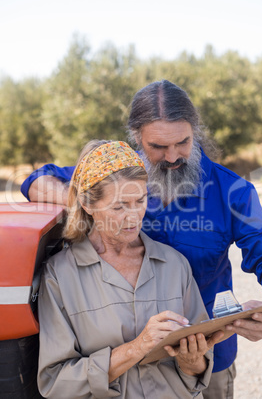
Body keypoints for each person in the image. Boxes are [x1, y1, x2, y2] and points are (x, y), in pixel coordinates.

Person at [21, 80, 262, 399]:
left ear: (196, 130)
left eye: (182, 142)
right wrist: (85, 203)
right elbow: (37, 180)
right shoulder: (122, 172)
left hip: (208, 357)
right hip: (119, 364)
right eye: (158, 147)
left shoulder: (235, 191)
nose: (173, 156)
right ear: (138, 138)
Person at [37, 139, 224, 399]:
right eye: (119, 206)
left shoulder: (174, 264)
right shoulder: (59, 276)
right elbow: (55, 383)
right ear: (87, 204)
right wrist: (137, 348)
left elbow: (199, 368)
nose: (134, 216)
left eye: (140, 200)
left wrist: (192, 360)